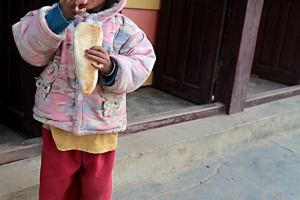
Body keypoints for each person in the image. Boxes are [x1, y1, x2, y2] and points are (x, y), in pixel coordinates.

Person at [12, 0, 156, 199]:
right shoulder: (53, 17)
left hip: (101, 124)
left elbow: (143, 62)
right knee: (55, 187)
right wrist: (59, 17)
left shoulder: (124, 28)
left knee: (97, 189)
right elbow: (30, 49)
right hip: (59, 123)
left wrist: (111, 67)